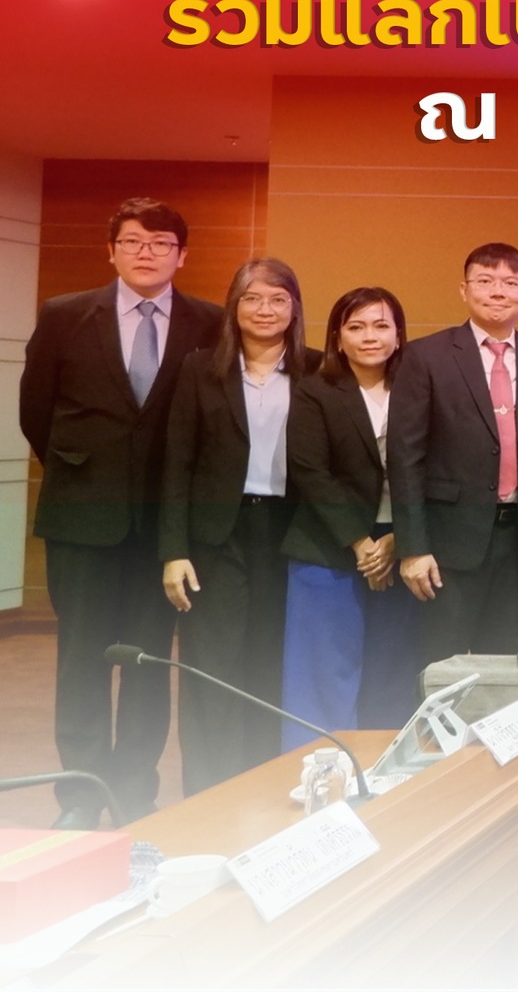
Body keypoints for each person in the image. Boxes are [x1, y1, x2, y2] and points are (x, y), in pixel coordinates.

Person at [19, 198, 224, 826]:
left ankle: (135, 793)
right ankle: (81, 798)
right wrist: (85, 471)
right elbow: (36, 410)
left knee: (146, 662)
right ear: (111, 251)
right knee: (81, 660)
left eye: (161, 243)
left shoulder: (209, 322)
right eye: (133, 241)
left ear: (181, 256)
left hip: (164, 527)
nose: (146, 253)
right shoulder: (64, 314)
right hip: (82, 518)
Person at [158, 258, 319, 793]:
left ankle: (264, 788)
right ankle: (208, 793)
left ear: (294, 307)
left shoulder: (319, 370)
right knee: (212, 667)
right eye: (252, 298)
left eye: (277, 299)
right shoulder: (201, 369)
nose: (264, 309)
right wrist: (173, 550)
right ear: (234, 306)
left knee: (272, 665)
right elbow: (177, 462)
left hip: (290, 535)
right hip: (216, 537)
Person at [389, 243, 518, 667]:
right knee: (439, 667)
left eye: (510, 283)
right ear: (464, 290)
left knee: (501, 667)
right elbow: (405, 456)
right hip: (447, 545)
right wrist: (413, 548)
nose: (497, 291)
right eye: (485, 281)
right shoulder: (426, 356)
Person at [280, 287, 420, 748]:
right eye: (356, 327)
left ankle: (383, 774)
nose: (370, 337)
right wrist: (361, 542)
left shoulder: (418, 389)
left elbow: (435, 466)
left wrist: (399, 537)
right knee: (324, 675)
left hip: (402, 547)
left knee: (393, 671)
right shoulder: (315, 389)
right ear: (338, 338)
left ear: (398, 334)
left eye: (381, 326)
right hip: (328, 547)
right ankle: (319, 772)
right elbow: (310, 471)